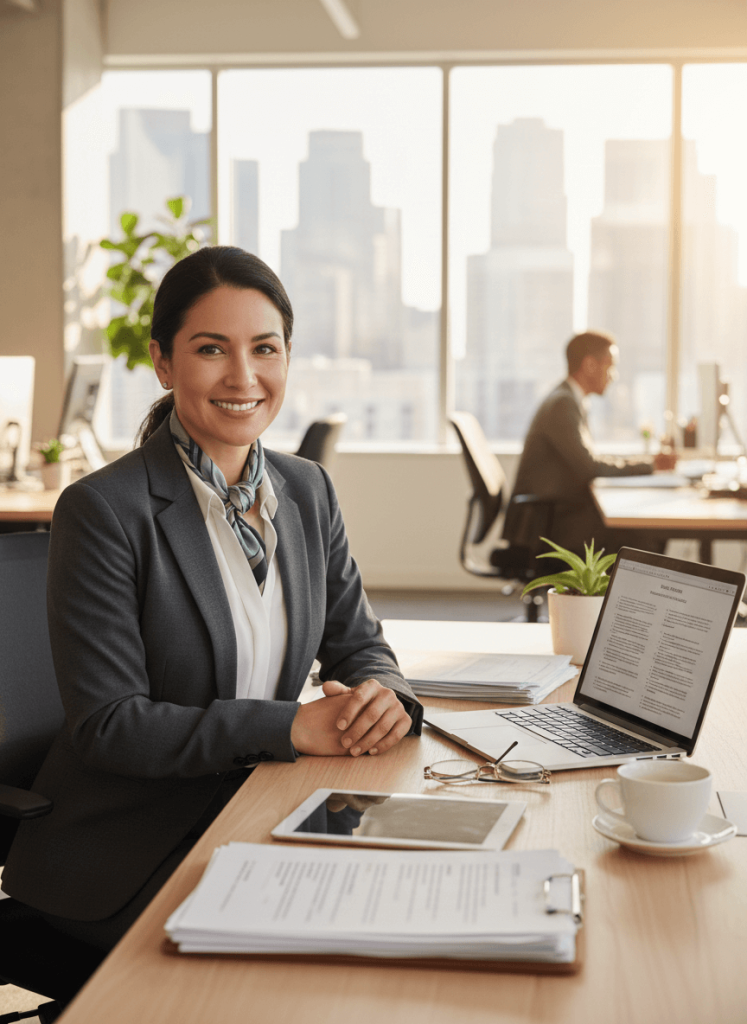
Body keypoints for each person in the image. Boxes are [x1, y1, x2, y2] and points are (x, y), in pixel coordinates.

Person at [3, 246, 422, 956]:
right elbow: (110, 726)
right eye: (210, 349)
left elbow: (360, 646)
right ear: (164, 363)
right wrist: (291, 728)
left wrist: (385, 696)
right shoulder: (104, 510)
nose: (243, 376)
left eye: (265, 349)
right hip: (129, 847)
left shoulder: (307, 492)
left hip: (262, 812)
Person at [503, 330, 677, 557]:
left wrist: (647, 463)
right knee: (646, 534)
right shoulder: (563, 404)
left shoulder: (570, 399)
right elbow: (591, 467)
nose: (613, 375)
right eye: (610, 365)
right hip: (549, 527)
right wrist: (652, 466)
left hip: (556, 516)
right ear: (590, 365)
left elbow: (590, 460)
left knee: (643, 528)